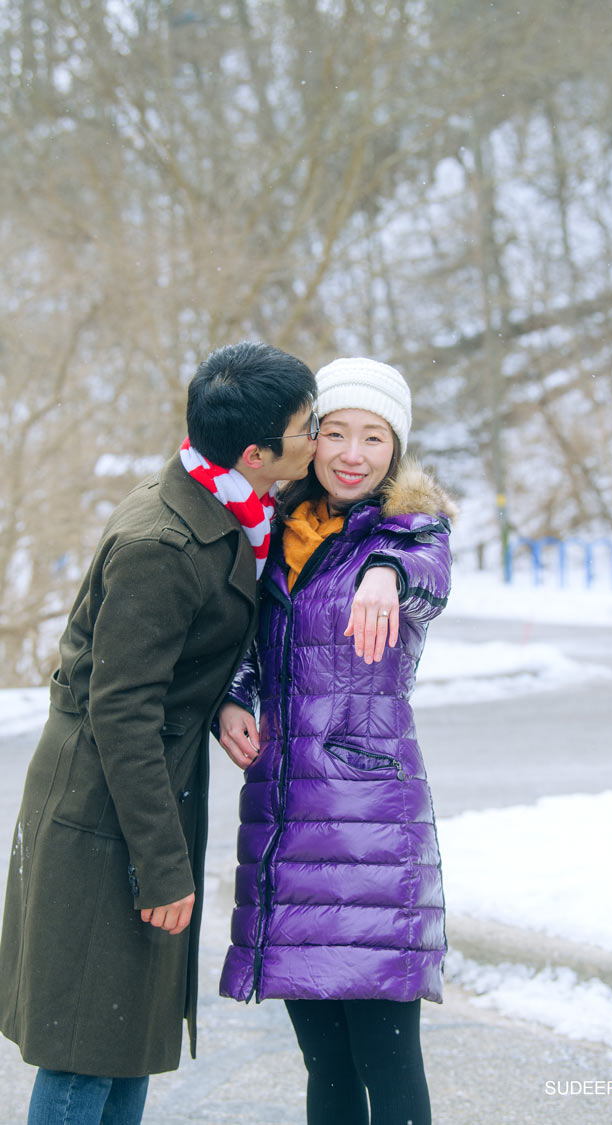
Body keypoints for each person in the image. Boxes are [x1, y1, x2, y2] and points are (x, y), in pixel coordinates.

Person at [0, 341, 318, 1124]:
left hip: (140, 797)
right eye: (309, 429)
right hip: (105, 811)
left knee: (128, 1035)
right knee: (85, 1044)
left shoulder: (227, 510)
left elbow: (167, 661)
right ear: (257, 451)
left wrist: (218, 704)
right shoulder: (163, 540)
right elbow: (121, 709)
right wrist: (164, 866)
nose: (318, 441)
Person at [217, 356, 455, 1125]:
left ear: (397, 448)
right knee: (325, 1063)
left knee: (387, 1060)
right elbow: (250, 645)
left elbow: (429, 571)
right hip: (286, 825)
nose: (354, 454)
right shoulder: (278, 526)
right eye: (337, 432)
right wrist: (233, 699)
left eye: (375, 437)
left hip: (368, 829)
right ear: (312, 438)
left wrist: (384, 568)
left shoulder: (407, 527)